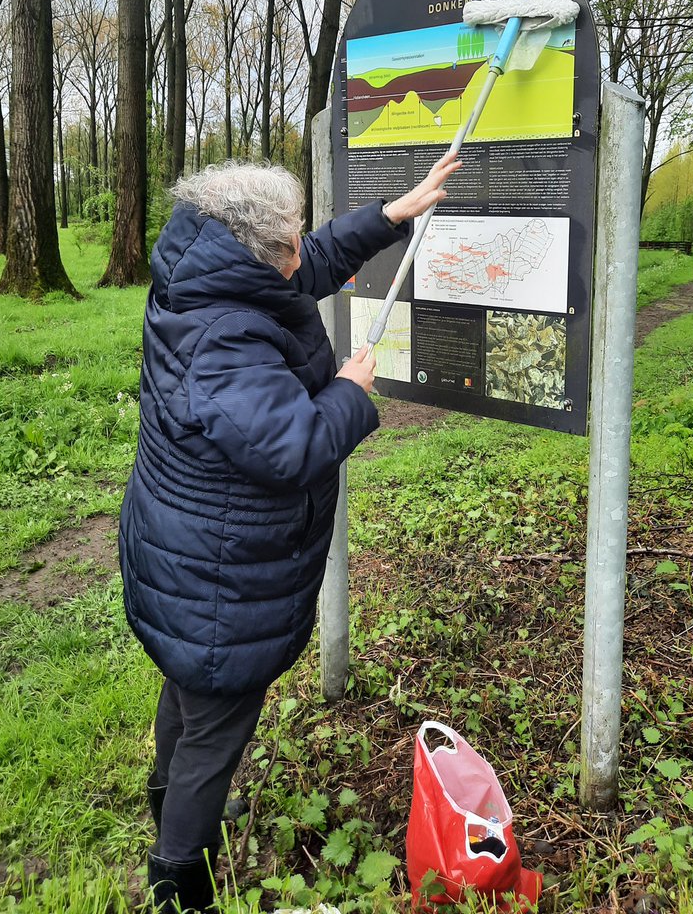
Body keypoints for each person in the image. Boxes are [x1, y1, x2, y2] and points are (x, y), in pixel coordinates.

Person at [119, 152, 460, 912]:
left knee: (194, 691)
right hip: (218, 572)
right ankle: (180, 877)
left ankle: (170, 801)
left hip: (187, 551)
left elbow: (308, 267)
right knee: (216, 718)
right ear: (258, 249)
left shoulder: (209, 269)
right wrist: (348, 392)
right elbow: (293, 446)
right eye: (291, 241)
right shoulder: (225, 337)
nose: (303, 252)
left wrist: (392, 215)